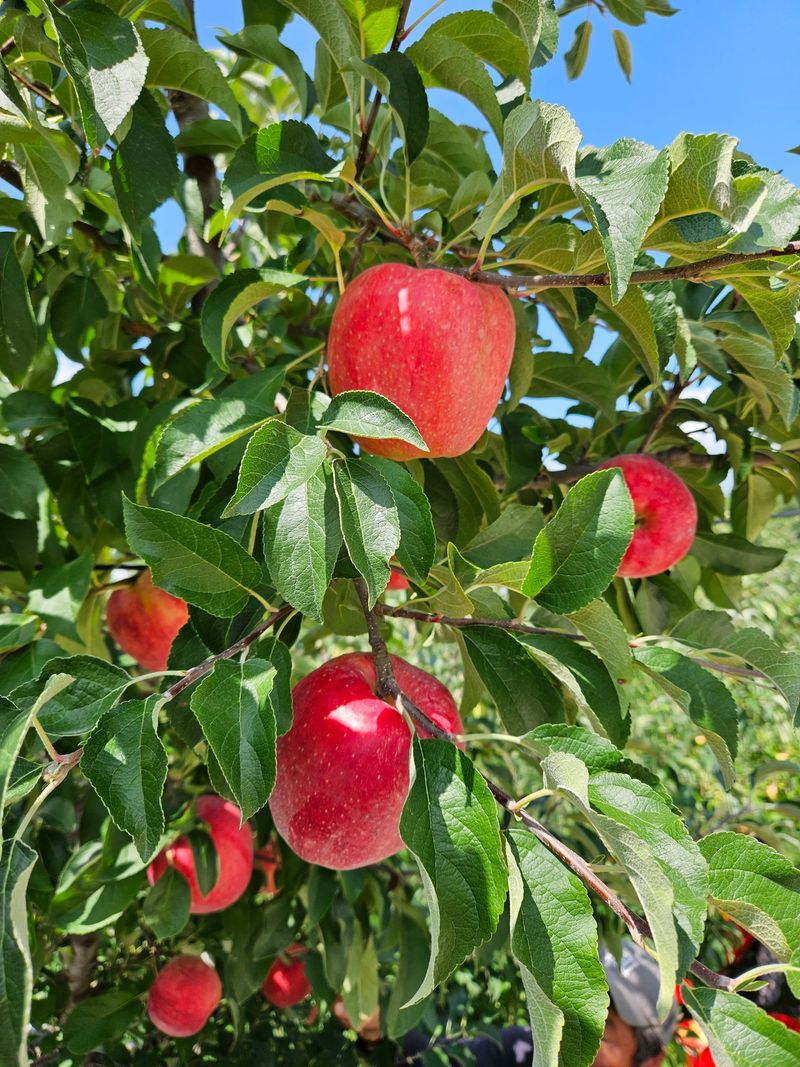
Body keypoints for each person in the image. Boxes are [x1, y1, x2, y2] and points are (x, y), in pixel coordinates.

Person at [397, 941, 677, 1067]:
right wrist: (388, 1033)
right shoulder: (526, 1050)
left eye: (602, 1029)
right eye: (574, 1012)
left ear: (651, 1061)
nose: (571, 1037)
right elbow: (444, 1059)